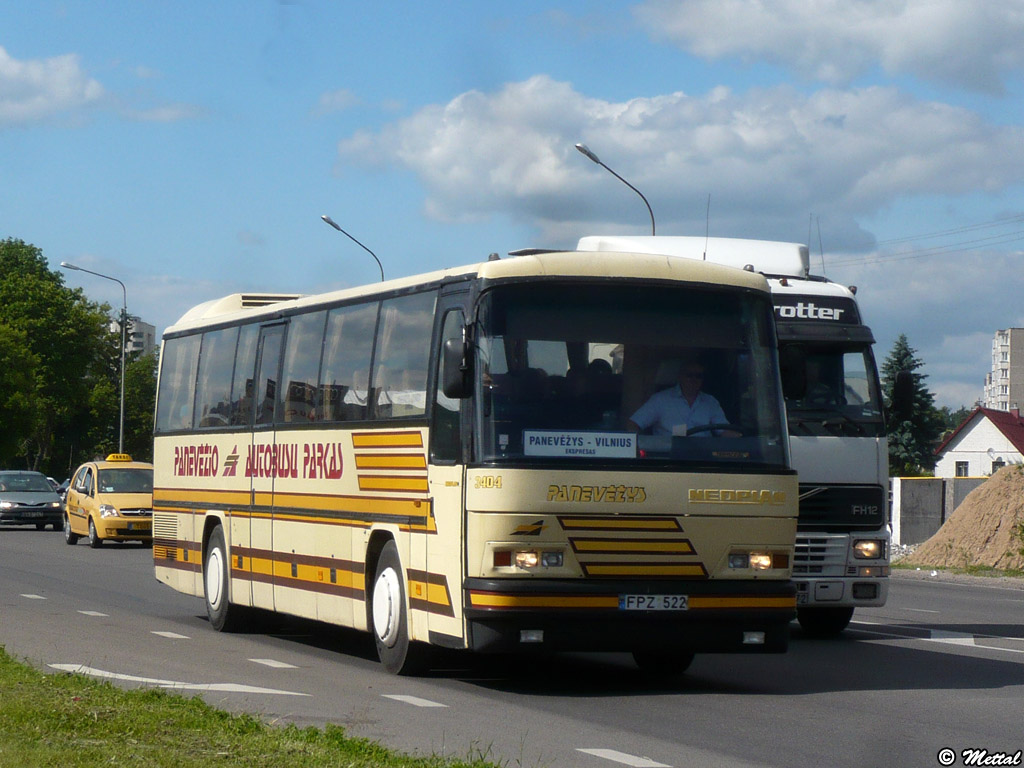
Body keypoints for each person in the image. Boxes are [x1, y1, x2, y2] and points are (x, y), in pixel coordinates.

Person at [629, 358, 734, 437]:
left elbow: (724, 430)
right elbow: (633, 424)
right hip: (666, 457)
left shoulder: (711, 402)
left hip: (703, 457)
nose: (694, 379)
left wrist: (742, 439)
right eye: (689, 375)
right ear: (680, 376)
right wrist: (636, 448)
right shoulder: (660, 399)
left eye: (698, 376)